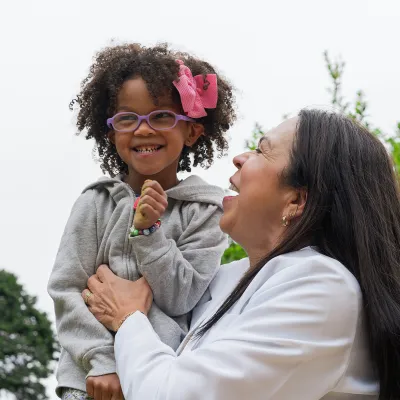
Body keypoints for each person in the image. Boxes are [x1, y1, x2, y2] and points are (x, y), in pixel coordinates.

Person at [84, 109, 400, 400]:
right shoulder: (225, 279)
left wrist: (128, 318)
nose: (239, 158)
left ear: (296, 200)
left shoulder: (323, 288)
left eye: (261, 150)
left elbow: (175, 393)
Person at [47, 43, 236, 400]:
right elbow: (66, 289)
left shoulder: (207, 211)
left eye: (162, 116)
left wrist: (149, 233)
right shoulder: (94, 203)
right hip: (89, 382)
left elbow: (181, 298)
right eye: (127, 118)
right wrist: (104, 362)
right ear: (111, 132)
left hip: (160, 380)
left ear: (192, 132)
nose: (144, 130)